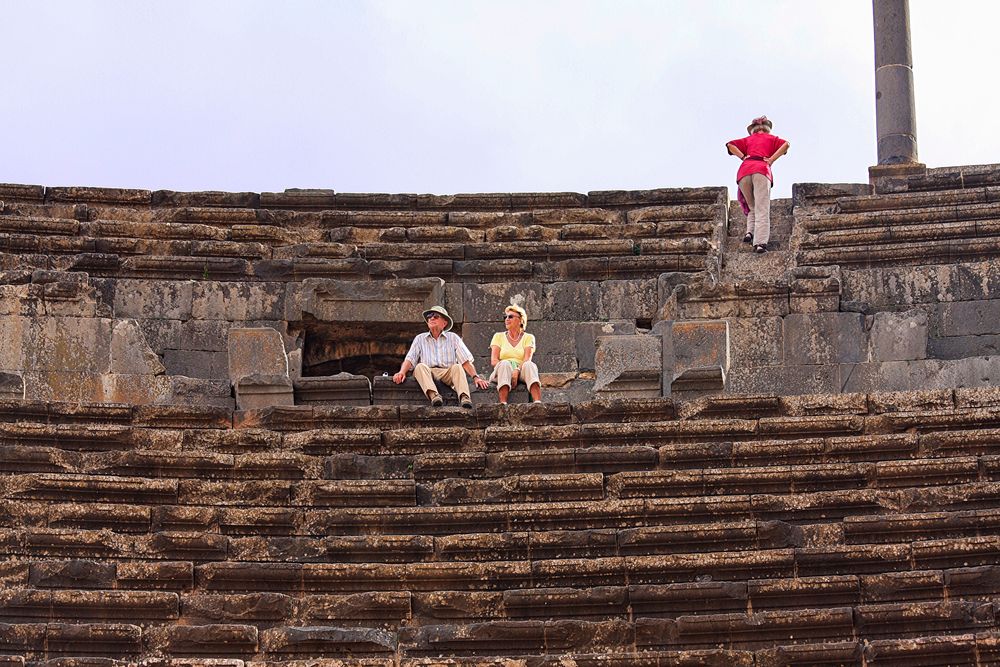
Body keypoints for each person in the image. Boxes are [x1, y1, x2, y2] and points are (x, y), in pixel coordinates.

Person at [393, 305, 489, 408]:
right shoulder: (420, 338)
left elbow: (465, 361)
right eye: (429, 316)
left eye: (436, 316)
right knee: (419, 367)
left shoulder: (453, 338)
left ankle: (464, 397)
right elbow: (410, 359)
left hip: (447, 372)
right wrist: (401, 372)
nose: (432, 318)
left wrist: (476, 377)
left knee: (458, 367)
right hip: (428, 371)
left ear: (444, 323)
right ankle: (434, 395)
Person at [726, 116, 790, 254]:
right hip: (762, 169)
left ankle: (749, 232)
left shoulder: (748, 140)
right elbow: (786, 144)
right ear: (767, 129)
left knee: (752, 206)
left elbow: (730, 145)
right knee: (762, 208)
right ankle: (760, 243)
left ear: (753, 130)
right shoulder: (772, 138)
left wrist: (743, 157)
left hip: (744, 171)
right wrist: (771, 159)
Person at [488, 304, 541, 404]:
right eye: (505, 317)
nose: (507, 319)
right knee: (504, 364)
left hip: (521, 370)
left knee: (530, 365)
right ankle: (503, 403)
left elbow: (527, 359)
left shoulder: (529, 337)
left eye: (510, 316)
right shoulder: (498, 336)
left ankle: (537, 402)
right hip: (502, 370)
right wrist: (509, 369)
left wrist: (516, 370)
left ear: (520, 320)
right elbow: (494, 360)